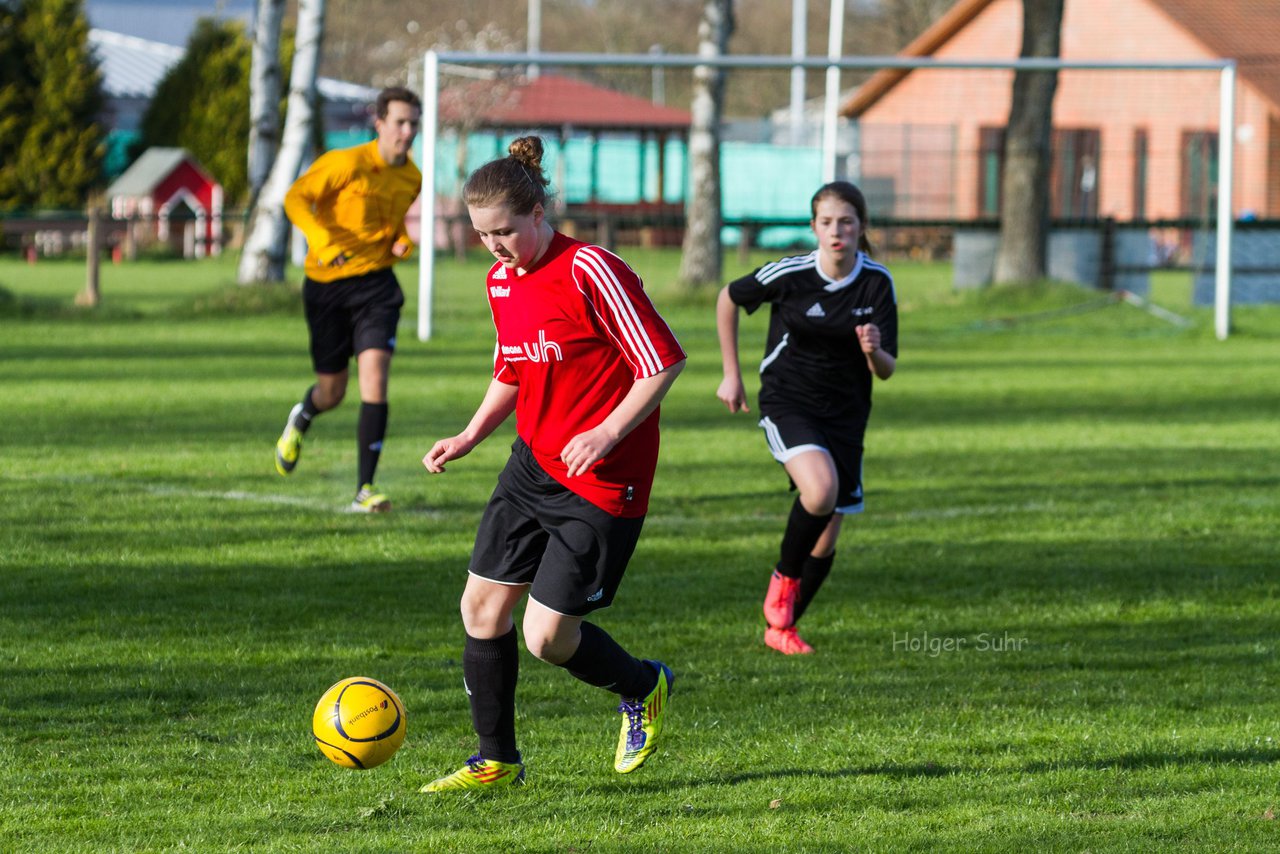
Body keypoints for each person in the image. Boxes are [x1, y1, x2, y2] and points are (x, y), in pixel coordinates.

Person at [419, 136, 686, 792]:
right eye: (483, 235)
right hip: (532, 466)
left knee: (547, 638)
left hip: (601, 480)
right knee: (481, 609)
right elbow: (514, 367)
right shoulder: (501, 281)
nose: (495, 247)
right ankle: (496, 761)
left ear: (539, 212)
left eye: (505, 231)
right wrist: (471, 434)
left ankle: (644, 686)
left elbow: (663, 361)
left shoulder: (593, 269)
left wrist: (607, 430)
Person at [716, 181, 897, 655]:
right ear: (814, 227)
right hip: (788, 400)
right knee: (820, 491)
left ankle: (783, 629)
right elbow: (728, 298)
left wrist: (873, 350)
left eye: (847, 222)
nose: (837, 231)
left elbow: (887, 370)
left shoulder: (877, 282)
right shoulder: (792, 273)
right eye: (827, 222)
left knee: (827, 531)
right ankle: (783, 581)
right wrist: (731, 375)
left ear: (861, 227)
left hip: (847, 415)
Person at [273, 86, 422, 512]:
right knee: (332, 391)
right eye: (400, 122)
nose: (407, 131)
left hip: (377, 288)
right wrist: (320, 237)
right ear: (379, 124)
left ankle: (365, 489)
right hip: (327, 288)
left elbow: (392, 225)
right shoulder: (344, 163)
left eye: (413, 123)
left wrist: (401, 241)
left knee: (375, 377)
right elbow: (295, 198)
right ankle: (302, 415)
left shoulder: (412, 177)